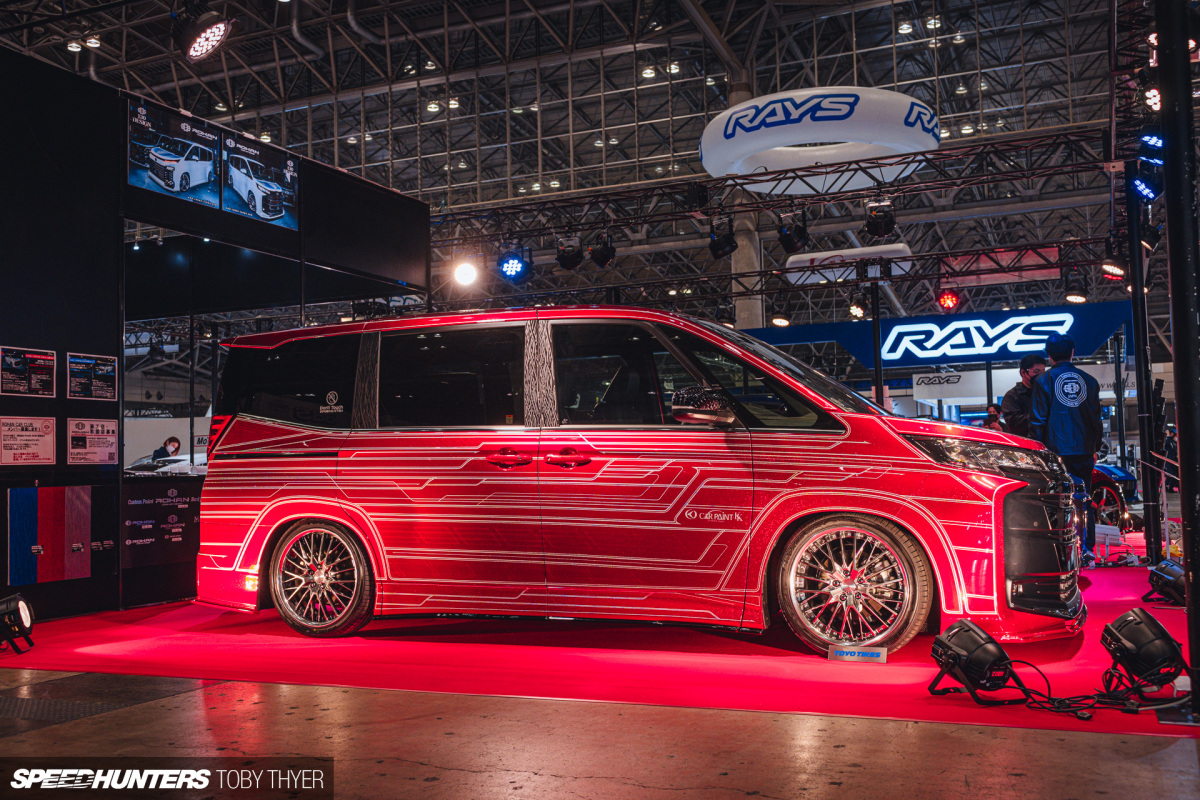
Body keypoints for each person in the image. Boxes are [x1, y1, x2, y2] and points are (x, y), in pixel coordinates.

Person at [1030, 333, 1102, 562]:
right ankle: (1087, 550)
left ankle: (1060, 551)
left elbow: (1038, 420)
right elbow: (1096, 419)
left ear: (1049, 355)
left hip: (1054, 453)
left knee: (1056, 502)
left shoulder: (1043, 381)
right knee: (1085, 498)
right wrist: (1095, 447)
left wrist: (1036, 451)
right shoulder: (1089, 381)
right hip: (1084, 450)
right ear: (1072, 352)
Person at [1001, 353, 1047, 438]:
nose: (1041, 375)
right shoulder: (1012, 396)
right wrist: (1041, 415)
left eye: (1043, 371)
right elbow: (1013, 423)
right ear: (1023, 372)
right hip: (1026, 442)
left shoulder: (1046, 392)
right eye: (1036, 371)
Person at [1164, 427, 1179, 493]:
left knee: (1174, 475)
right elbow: (1167, 447)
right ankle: (1165, 485)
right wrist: (1168, 436)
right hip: (1169, 460)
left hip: (1174, 460)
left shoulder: (1173, 442)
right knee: (1170, 473)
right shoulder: (1168, 440)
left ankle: (1170, 488)